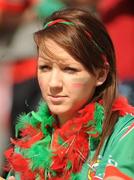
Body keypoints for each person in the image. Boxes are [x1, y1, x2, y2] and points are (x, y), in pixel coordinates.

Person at [2, 8, 134, 180]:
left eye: (69, 69)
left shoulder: (125, 135)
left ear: (101, 74)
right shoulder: (29, 143)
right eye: (45, 68)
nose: (54, 83)